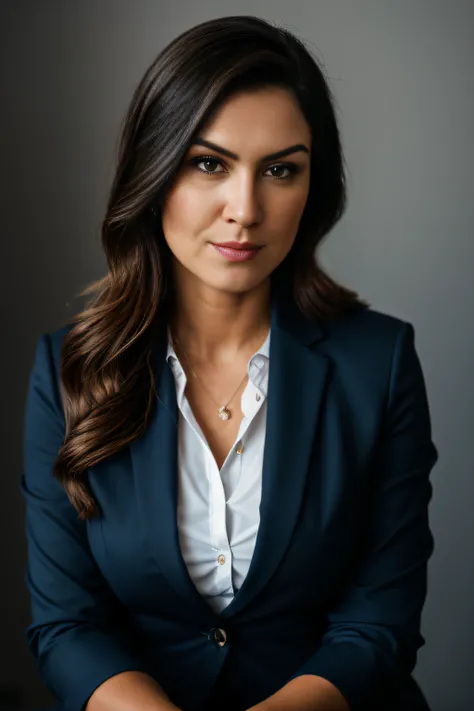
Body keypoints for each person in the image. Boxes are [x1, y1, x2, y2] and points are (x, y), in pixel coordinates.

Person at [21, 14, 438, 711]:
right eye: (208, 162)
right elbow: (69, 625)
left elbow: (378, 622)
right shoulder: (67, 368)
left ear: (313, 188)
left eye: (281, 170)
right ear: (154, 170)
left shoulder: (381, 363)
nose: (245, 209)